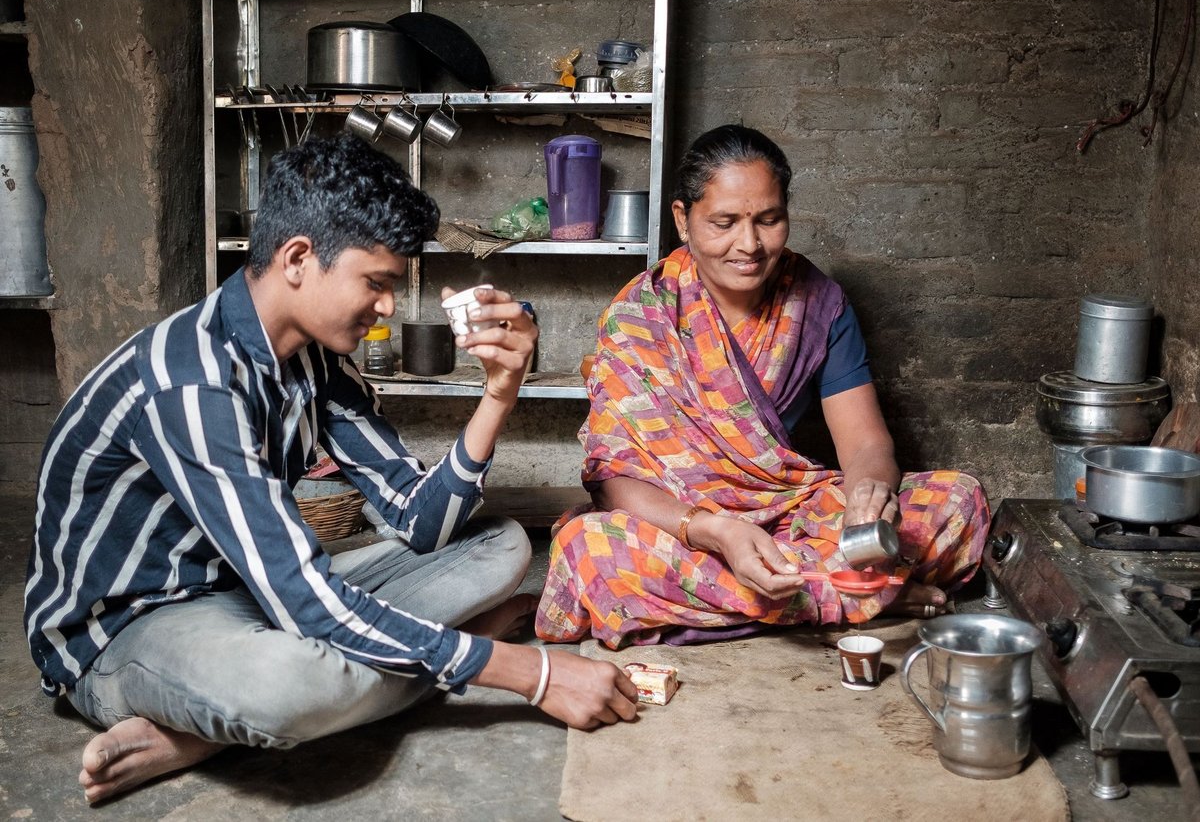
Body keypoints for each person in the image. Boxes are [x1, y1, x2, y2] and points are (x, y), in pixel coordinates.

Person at [24, 133, 638, 805]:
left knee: (500, 545)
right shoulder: (192, 383)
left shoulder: (316, 363)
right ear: (297, 259)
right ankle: (224, 726)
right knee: (295, 686)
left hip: (244, 593)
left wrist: (498, 395)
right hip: (125, 630)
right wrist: (529, 672)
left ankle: (211, 732)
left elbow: (419, 523)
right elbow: (304, 598)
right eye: (375, 284)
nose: (387, 308)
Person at [536, 124, 989, 649]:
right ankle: (856, 594)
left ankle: (800, 597)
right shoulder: (641, 315)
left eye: (769, 221)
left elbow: (864, 444)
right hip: (688, 530)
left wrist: (871, 493)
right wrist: (718, 532)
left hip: (790, 514)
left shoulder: (817, 302)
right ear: (683, 220)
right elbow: (616, 485)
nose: (748, 245)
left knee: (958, 500)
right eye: (724, 223)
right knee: (591, 549)